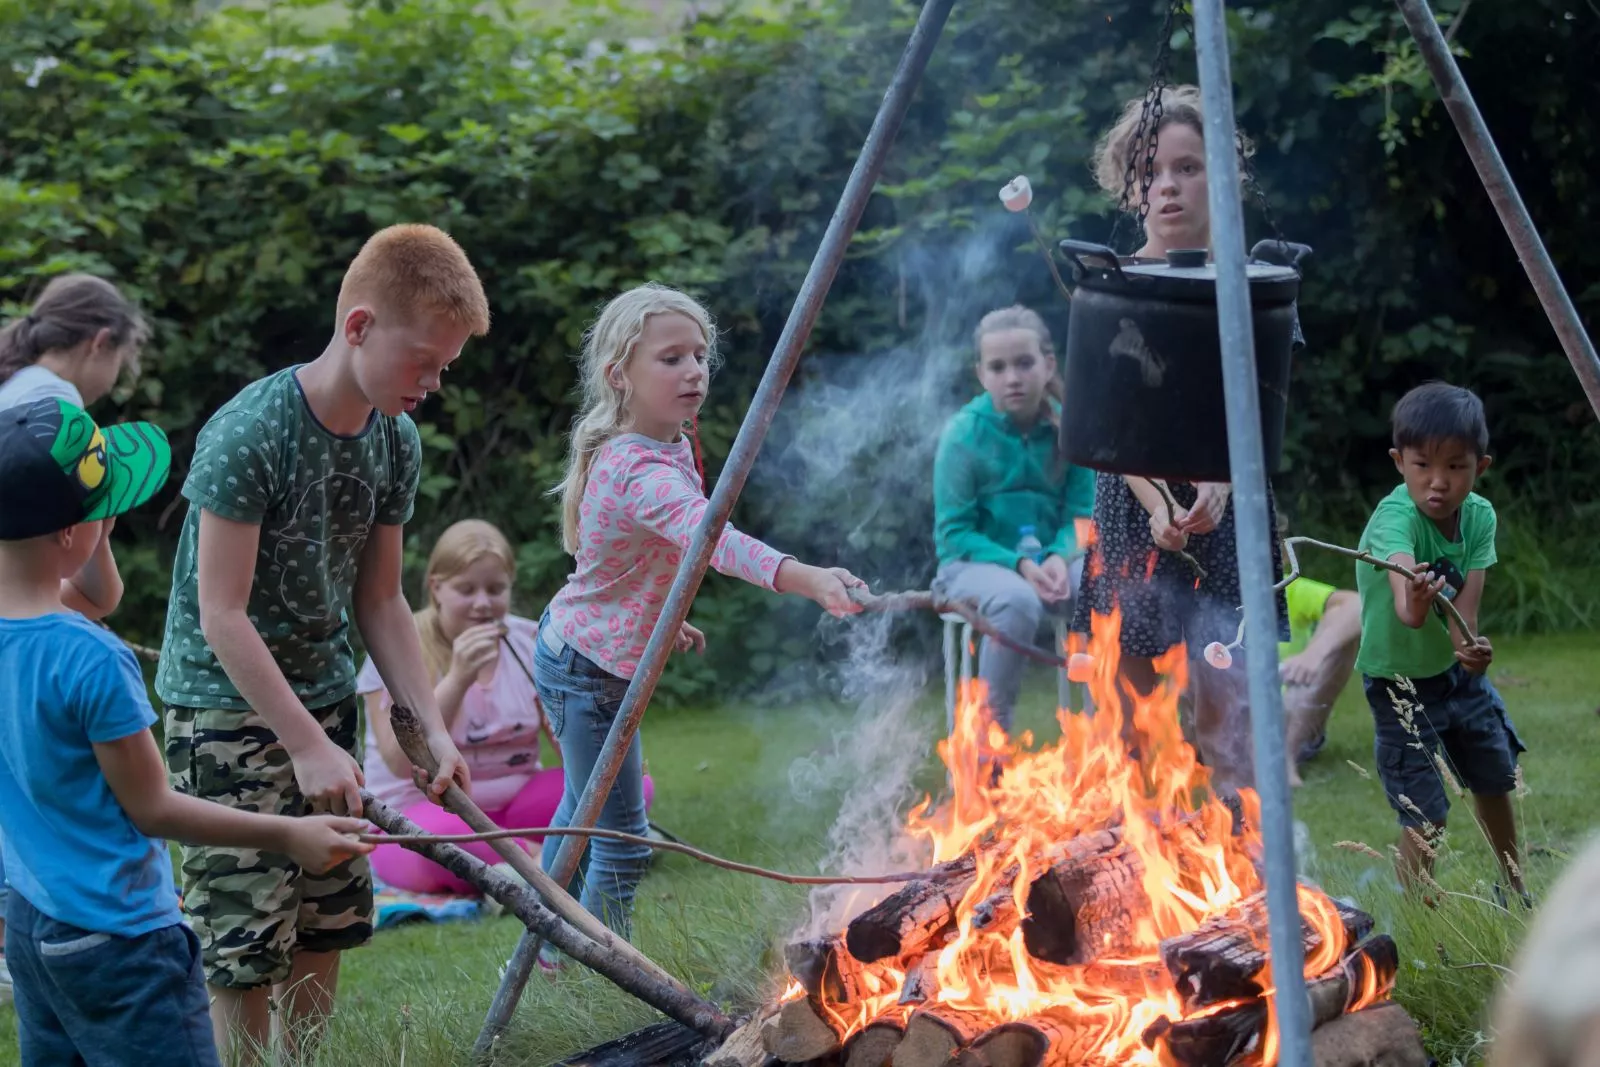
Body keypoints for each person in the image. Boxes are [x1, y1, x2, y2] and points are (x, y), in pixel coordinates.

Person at [155, 224, 488, 1064]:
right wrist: (302, 743)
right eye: (424, 360)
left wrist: (431, 728)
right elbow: (222, 613)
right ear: (359, 326)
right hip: (225, 714)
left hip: (326, 701)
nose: (433, 383)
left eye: (447, 367)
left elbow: (381, 599)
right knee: (243, 942)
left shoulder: (394, 440)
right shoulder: (250, 432)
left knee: (325, 920)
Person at [0, 397, 370, 1067]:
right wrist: (289, 834)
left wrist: (91, 528)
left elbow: (94, 595)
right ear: (68, 534)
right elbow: (153, 809)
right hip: (120, 936)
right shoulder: (92, 659)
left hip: (34, 922)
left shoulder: (31, 632)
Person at [539, 281, 865, 946]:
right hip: (586, 671)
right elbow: (709, 539)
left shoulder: (672, 441)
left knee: (580, 810)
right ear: (619, 376)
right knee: (621, 837)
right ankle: (592, 964)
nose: (693, 371)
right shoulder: (636, 468)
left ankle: (546, 944)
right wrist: (807, 578)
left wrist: (658, 615)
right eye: (671, 358)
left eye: (699, 355)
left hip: (585, 649)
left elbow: (635, 562)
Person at [1069, 85, 1290, 798]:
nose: (1166, 185)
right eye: (1149, 171)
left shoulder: (1255, 284)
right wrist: (1159, 502)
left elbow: (1262, 403)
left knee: (1230, 704)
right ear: (1127, 185)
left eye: (1187, 168)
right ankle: (1133, 843)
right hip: (1133, 501)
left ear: (1220, 176)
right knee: (1130, 709)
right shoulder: (1113, 284)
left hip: (1229, 501)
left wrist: (1220, 481)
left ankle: (1242, 841)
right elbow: (1108, 420)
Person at [358, 518, 657, 894]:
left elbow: (568, 743)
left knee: (630, 786)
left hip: (517, 805)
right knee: (434, 843)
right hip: (422, 811)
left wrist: (603, 761)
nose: (483, 603)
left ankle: (520, 862)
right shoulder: (399, 647)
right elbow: (399, 763)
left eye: (495, 589)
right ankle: (549, 859)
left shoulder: (530, 639)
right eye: (466, 590)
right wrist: (459, 678)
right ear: (436, 588)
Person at [0, 274, 151, 1006]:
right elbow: (94, 590)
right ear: (100, 342)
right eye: (122, 361)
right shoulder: (53, 410)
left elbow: (93, 594)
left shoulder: (13, 391)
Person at [1353, 381, 1526, 902]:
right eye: (1423, 464)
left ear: (1480, 467)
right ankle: (1415, 913)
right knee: (1426, 812)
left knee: (1495, 777)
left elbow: (1463, 622)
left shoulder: (1479, 516)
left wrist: (1473, 654)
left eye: (1455, 466)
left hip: (1454, 679)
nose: (1438, 482)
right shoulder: (1394, 520)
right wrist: (1417, 597)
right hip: (1399, 684)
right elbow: (1408, 612)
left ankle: (1515, 888)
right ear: (1398, 462)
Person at [932, 305, 1096, 732]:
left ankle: (1111, 738)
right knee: (1016, 600)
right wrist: (1019, 564)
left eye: (1024, 363)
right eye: (998, 367)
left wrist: (1059, 555)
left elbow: (1084, 515)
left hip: (1054, 562)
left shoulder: (1071, 427)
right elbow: (954, 533)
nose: (1013, 378)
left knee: (1102, 583)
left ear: (1048, 364)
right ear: (981, 374)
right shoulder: (963, 435)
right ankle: (990, 741)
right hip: (972, 566)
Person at [1280, 573, 1361, 787]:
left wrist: (1313, 654)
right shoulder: (1207, 589)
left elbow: (1358, 606)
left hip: (1287, 715)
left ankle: (1284, 758)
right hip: (1224, 720)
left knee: (1340, 620)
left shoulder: (1285, 588)